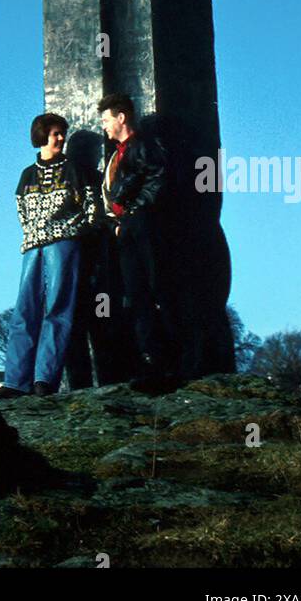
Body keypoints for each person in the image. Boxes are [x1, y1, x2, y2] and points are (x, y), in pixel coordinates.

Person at [0, 113, 97, 400]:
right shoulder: (27, 174)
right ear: (41, 136)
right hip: (32, 246)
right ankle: (15, 381)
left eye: (63, 133)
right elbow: (20, 208)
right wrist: (34, 233)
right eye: (55, 133)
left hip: (64, 243)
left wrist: (71, 229)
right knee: (25, 310)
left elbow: (91, 208)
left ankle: (44, 379)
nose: (61, 138)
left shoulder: (75, 169)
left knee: (58, 309)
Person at [98, 94, 179, 391]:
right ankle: (151, 362)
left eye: (106, 120)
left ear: (121, 117)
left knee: (157, 289)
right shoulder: (117, 154)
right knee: (137, 295)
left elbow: (158, 178)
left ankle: (171, 363)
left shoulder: (143, 145)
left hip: (144, 225)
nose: (104, 127)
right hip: (130, 228)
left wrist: (137, 210)